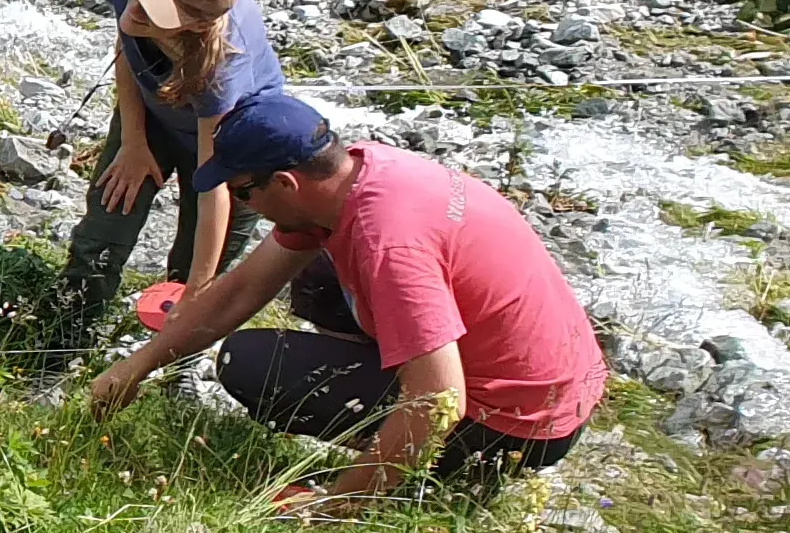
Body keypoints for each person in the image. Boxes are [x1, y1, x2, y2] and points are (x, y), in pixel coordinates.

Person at [88, 91, 611, 509]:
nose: (242, 203)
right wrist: (137, 367)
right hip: (548, 387)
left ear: (287, 183)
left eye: (244, 192)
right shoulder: (361, 174)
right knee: (315, 272)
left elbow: (438, 402)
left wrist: (334, 505)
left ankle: (435, 476)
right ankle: (389, 417)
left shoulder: (390, 246)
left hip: (518, 427)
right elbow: (244, 288)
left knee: (249, 363)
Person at [55, 0, 284, 339]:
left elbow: (214, 185)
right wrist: (133, 142)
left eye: (155, 12)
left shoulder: (224, 65)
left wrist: (196, 289)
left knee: (195, 266)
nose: (137, 9)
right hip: (154, 116)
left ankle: (172, 351)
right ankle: (68, 331)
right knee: (105, 227)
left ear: (194, 26)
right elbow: (127, 47)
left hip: (235, 146)